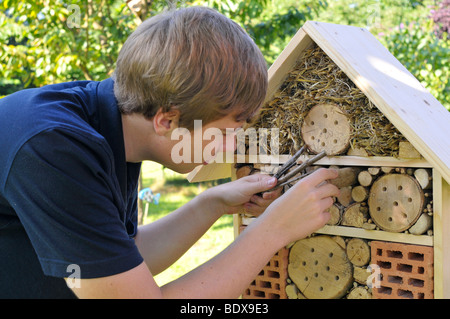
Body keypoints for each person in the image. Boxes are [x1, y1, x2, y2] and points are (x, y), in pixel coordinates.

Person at [0, 6, 339, 298]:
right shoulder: (53, 149)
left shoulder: (108, 126)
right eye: (225, 132)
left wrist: (214, 203)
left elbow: (120, 258)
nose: (231, 146)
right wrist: (273, 230)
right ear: (167, 119)